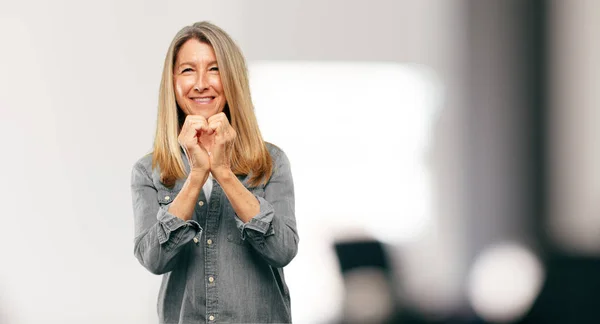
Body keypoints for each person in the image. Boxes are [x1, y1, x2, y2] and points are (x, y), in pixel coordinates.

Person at [130, 21, 298, 323]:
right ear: (172, 81)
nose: (200, 83)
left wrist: (222, 172)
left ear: (232, 78)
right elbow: (153, 259)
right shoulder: (148, 171)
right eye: (187, 70)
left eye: (214, 69)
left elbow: (283, 250)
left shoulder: (271, 161)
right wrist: (196, 175)